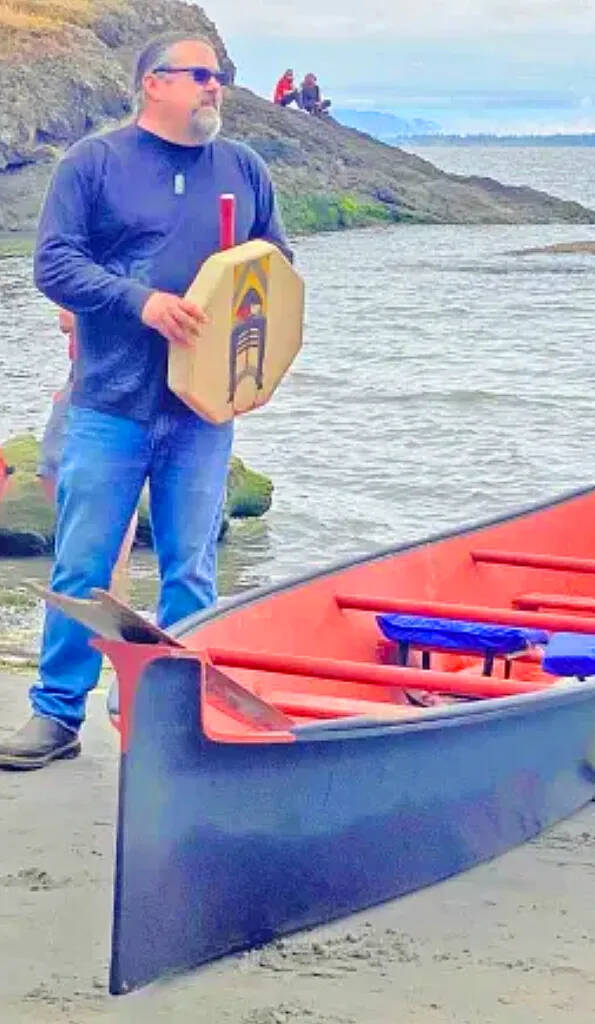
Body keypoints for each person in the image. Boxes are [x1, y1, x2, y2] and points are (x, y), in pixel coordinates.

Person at [0, 31, 291, 771]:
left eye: (219, 75)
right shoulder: (94, 163)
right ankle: (57, 713)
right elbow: (53, 263)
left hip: (203, 413)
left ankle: (175, 721)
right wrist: (141, 302)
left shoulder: (244, 169)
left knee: (191, 569)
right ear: (153, 83)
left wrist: (255, 374)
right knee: (83, 567)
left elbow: (275, 270)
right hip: (109, 404)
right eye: (200, 74)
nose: (215, 86)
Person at [38, 308, 138, 601]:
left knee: (109, 477)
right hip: (85, 370)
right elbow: (66, 320)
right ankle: (93, 569)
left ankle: (113, 576)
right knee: (51, 465)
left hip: (113, 370)